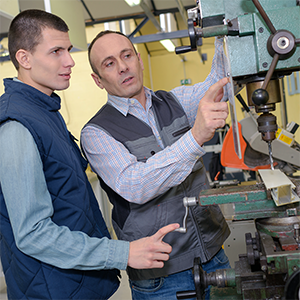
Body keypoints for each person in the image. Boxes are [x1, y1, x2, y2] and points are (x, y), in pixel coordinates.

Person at [0, 10, 180, 300]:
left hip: (73, 286)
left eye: (68, 50)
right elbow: (33, 233)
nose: (70, 61)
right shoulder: (16, 125)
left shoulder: (45, 112)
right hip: (50, 291)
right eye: (56, 51)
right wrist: (123, 252)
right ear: (24, 59)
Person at [81, 30, 231, 300]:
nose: (123, 66)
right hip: (163, 279)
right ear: (98, 80)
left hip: (214, 254)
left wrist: (224, 29)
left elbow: (222, 85)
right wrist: (195, 137)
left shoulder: (175, 101)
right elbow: (134, 184)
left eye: (127, 56)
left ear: (138, 59)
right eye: (110, 63)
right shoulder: (96, 133)